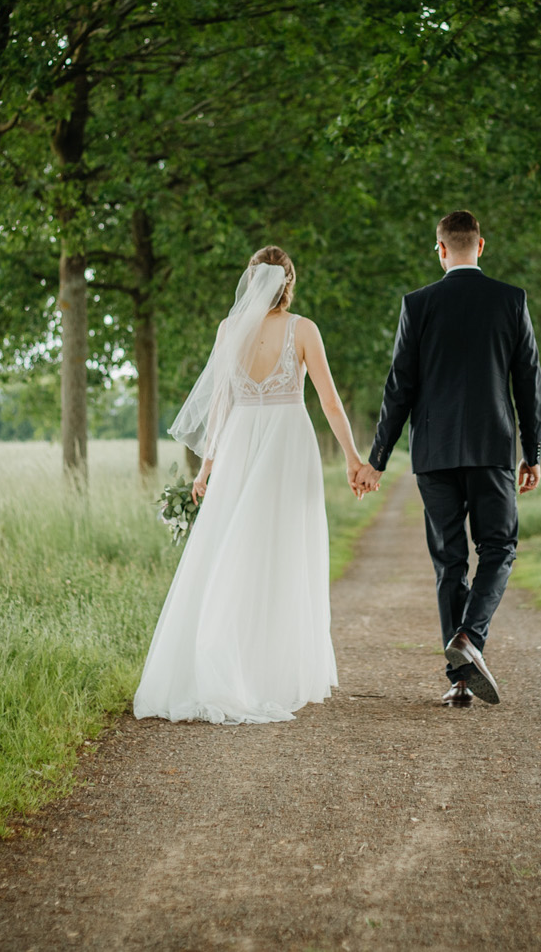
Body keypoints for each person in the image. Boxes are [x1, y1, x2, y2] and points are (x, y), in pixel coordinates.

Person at [133, 247, 374, 724]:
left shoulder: (229, 331)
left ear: (251, 280)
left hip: (241, 441)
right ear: (288, 282)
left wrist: (206, 469)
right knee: (283, 551)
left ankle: (232, 662)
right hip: (288, 442)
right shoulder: (303, 329)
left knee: (230, 548)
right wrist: (353, 458)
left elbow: (221, 405)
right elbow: (329, 401)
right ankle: (269, 673)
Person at [356, 210, 541, 708]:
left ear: (440, 249)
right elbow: (528, 380)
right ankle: (470, 640)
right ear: (481, 246)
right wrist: (534, 451)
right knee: (499, 547)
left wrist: (377, 459)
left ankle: (460, 681)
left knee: (449, 563)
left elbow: (400, 387)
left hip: (433, 452)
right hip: (491, 448)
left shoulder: (417, 304)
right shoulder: (511, 300)